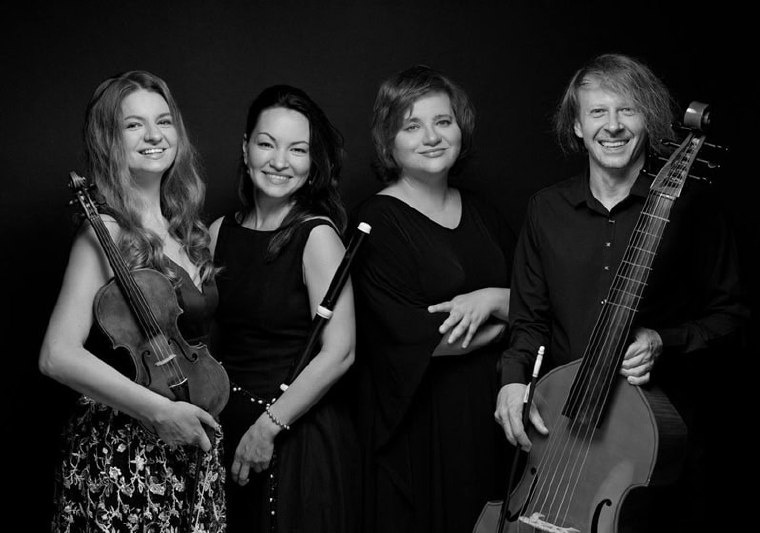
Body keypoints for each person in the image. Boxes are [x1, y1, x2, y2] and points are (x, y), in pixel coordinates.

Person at [494, 53, 748, 531]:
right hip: (560, 435)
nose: (612, 126)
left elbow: (730, 317)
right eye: (597, 111)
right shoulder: (546, 209)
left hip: (656, 444)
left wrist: (664, 340)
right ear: (577, 126)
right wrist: (511, 381)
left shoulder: (693, 209)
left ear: (647, 120)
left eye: (627, 110)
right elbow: (529, 321)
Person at [39, 70, 226, 531]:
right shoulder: (105, 231)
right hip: (126, 453)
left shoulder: (188, 230)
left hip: (193, 443)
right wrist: (158, 412)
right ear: (109, 140)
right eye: (133, 125)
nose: (153, 135)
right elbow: (57, 354)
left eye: (163, 121)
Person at [351, 65, 515, 533]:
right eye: (412, 126)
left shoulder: (483, 212)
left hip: (494, 413)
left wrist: (491, 299)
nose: (431, 137)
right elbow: (420, 340)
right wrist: (507, 319)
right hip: (425, 424)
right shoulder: (376, 222)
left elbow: (537, 301)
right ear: (389, 141)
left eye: (443, 121)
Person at [209, 84, 359, 532]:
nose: (279, 161)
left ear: (313, 164)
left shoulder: (318, 237)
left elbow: (341, 352)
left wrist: (267, 427)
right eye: (266, 144)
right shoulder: (217, 232)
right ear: (245, 148)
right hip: (227, 431)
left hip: (293, 435)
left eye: (297, 149)